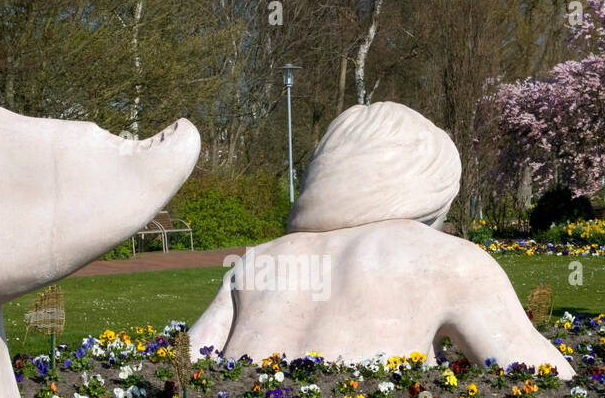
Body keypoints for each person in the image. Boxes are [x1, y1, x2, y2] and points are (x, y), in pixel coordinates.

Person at [189, 101, 575, 377]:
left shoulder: (259, 261)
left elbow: (188, 359)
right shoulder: (451, 262)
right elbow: (542, 376)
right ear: (431, 189)